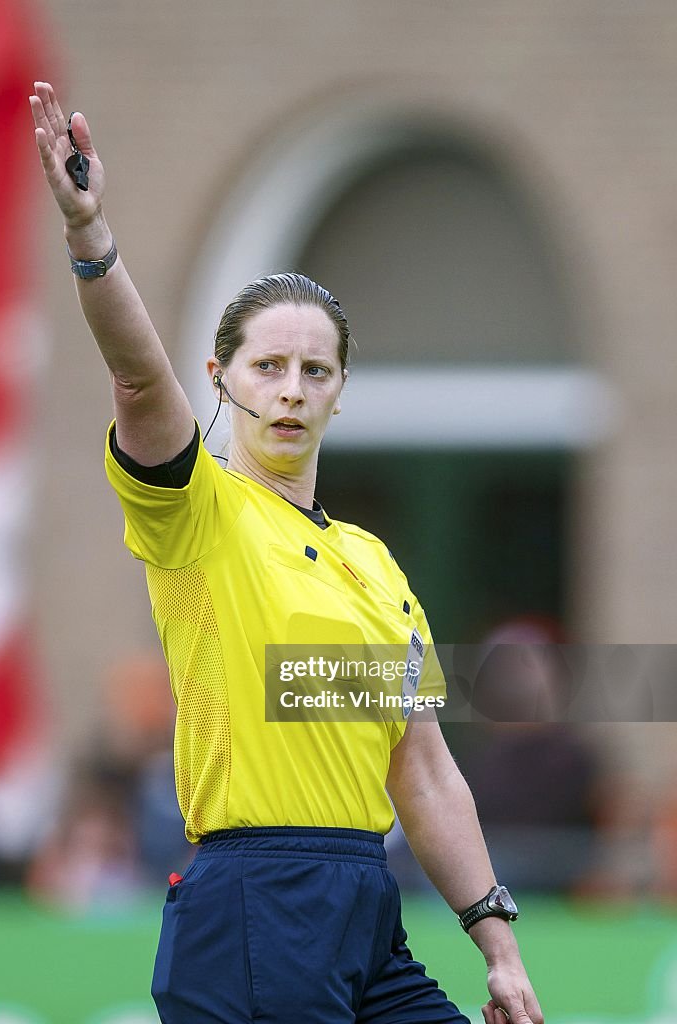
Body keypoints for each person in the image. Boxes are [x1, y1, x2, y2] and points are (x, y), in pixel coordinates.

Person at [29, 81, 543, 1024]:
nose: (292, 390)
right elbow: (139, 378)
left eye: (316, 370)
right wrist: (90, 239)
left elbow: (423, 772)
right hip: (254, 898)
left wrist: (497, 944)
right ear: (222, 378)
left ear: (342, 390)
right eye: (268, 367)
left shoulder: (374, 564)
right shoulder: (200, 512)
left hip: (364, 904)